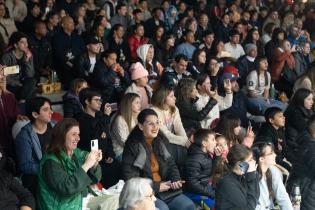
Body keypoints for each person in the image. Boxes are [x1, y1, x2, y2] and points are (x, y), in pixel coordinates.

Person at [122, 109, 195, 210]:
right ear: (141, 126)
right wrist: (156, 187)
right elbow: (131, 178)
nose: (155, 127)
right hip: (146, 193)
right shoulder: (132, 146)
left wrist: (175, 180)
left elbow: (171, 164)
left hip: (166, 188)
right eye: (150, 124)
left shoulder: (160, 141)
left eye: (157, 123)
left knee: (188, 206)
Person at [37, 118, 102, 210]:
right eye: (73, 134)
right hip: (61, 207)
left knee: (116, 201)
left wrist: (94, 163)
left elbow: (94, 180)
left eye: (78, 134)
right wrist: (87, 165)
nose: (78, 138)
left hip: (80, 200)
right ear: (62, 136)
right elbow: (67, 188)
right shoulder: (50, 162)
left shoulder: (76, 153)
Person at [76, 88, 119, 188]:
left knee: (117, 167)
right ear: (87, 101)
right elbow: (93, 136)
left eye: (100, 100)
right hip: (91, 161)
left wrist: (110, 153)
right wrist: (106, 117)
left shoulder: (100, 117)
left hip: (104, 157)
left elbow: (107, 137)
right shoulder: (80, 119)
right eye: (96, 100)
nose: (100, 102)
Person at [15, 97, 53, 195]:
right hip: (35, 179)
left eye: (50, 108)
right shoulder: (24, 136)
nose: (51, 112)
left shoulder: (52, 127)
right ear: (35, 114)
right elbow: (24, 166)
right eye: (45, 110)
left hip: (53, 172)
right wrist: (49, 169)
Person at [214, 144, 259, 210]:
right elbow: (249, 207)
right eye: (250, 160)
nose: (253, 161)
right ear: (240, 164)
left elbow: (256, 195)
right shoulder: (227, 183)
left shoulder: (241, 175)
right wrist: (252, 177)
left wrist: (253, 176)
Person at [252, 142, 293, 210]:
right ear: (261, 159)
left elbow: (282, 196)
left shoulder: (273, 170)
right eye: (271, 153)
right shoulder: (251, 175)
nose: (275, 155)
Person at [183, 129, 217, 210]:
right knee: (215, 207)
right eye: (213, 139)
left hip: (204, 188)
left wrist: (217, 157)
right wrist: (210, 193)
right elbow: (192, 185)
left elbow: (209, 172)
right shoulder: (194, 159)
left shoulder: (205, 155)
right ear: (204, 143)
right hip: (193, 193)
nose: (216, 142)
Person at [1, 32, 36, 102]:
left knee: (32, 81)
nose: (26, 45)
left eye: (26, 42)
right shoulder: (7, 57)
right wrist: (18, 84)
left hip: (24, 86)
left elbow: (30, 74)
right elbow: (4, 76)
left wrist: (27, 60)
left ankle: (22, 100)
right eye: (22, 42)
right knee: (32, 91)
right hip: (10, 85)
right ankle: (23, 103)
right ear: (15, 45)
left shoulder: (29, 56)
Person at [52, 16, 85, 88]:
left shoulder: (77, 37)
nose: (73, 24)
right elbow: (59, 55)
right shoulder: (57, 38)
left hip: (78, 64)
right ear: (63, 25)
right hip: (65, 66)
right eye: (70, 22)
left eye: (73, 22)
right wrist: (70, 64)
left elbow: (83, 51)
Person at [284, 88, 314, 163]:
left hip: (302, 143)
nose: (312, 102)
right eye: (309, 99)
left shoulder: (305, 110)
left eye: (312, 99)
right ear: (301, 99)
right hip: (295, 146)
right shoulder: (295, 113)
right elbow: (308, 129)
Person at [111, 93, 140, 160]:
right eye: (137, 103)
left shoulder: (134, 115)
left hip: (132, 149)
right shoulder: (120, 119)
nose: (139, 105)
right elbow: (124, 142)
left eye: (139, 102)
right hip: (121, 152)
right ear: (129, 104)